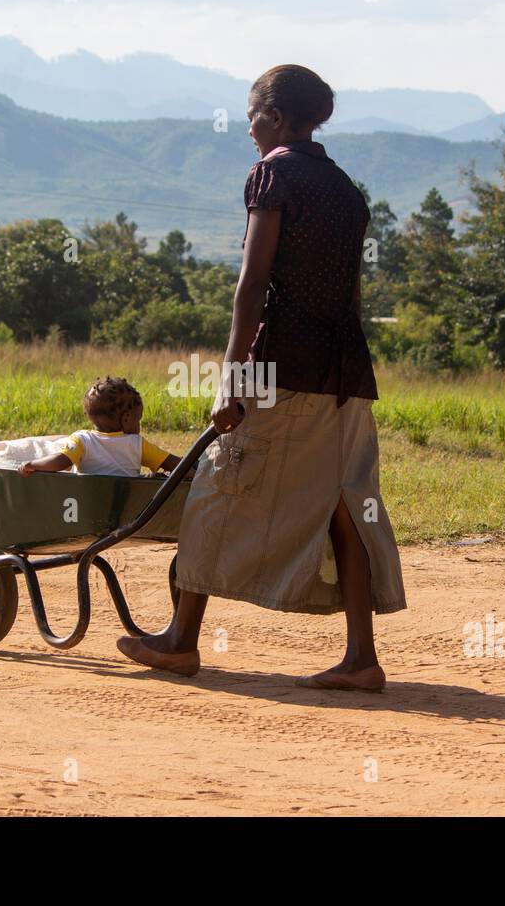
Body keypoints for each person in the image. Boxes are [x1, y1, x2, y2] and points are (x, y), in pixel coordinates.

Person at [116, 64, 406, 692]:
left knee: (218, 489)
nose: (248, 128)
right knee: (343, 505)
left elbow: (252, 285)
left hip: (280, 366)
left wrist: (231, 377)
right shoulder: (345, 189)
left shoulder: (270, 174)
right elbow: (352, 296)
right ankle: (361, 658)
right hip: (347, 370)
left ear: (274, 117)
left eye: (252, 117)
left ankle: (179, 641)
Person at [19, 376, 185, 477]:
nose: (138, 424)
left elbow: (60, 462)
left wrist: (33, 464)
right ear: (127, 418)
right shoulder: (138, 444)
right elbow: (175, 464)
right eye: (138, 418)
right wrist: (198, 468)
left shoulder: (81, 440)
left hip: (85, 505)